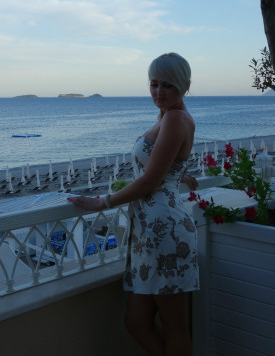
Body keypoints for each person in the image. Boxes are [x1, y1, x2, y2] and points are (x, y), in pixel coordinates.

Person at [68, 52, 198, 356]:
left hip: (166, 232)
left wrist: (102, 202)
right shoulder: (166, 116)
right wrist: (178, 174)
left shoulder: (176, 118)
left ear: (185, 86)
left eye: (168, 85)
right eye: (154, 84)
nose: (158, 91)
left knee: (175, 327)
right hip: (148, 231)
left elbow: (150, 182)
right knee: (136, 322)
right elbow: (161, 168)